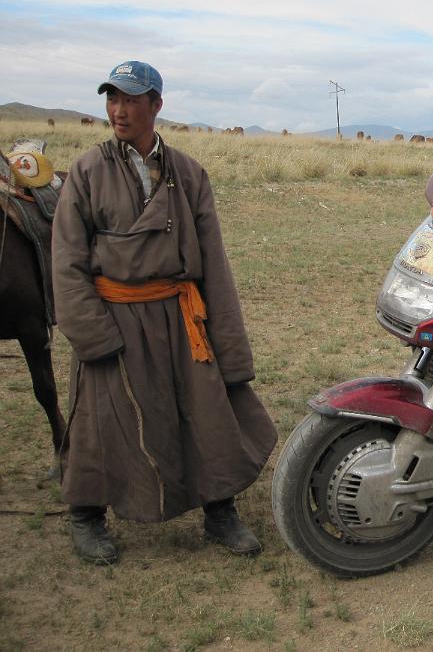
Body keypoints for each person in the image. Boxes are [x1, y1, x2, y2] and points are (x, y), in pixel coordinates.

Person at [52, 61, 277, 564]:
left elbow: (213, 267)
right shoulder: (88, 172)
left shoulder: (189, 174)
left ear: (156, 104)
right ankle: (85, 516)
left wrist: (230, 347)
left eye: (131, 100)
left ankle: (220, 512)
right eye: (112, 99)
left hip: (181, 318)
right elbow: (66, 262)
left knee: (206, 410)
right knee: (99, 419)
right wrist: (92, 334)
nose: (118, 110)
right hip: (115, 317)